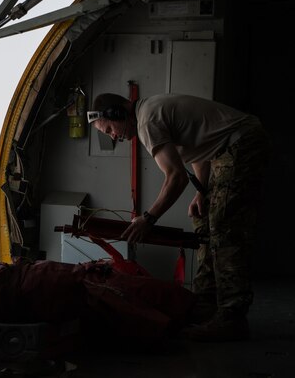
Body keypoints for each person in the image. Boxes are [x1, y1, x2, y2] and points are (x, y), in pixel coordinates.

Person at [87, 92, 270, 342]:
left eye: (109, 129)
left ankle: (232, 318)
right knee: (205, 221)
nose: (114, 136)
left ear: (117, 113)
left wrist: (148, 218)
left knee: (225, 228)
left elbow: (176, 177)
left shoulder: (146, 122)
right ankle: (206, 303)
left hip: (240, 143)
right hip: (228, 146)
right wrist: (202, 192)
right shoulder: (150, 111)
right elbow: (198, 150)